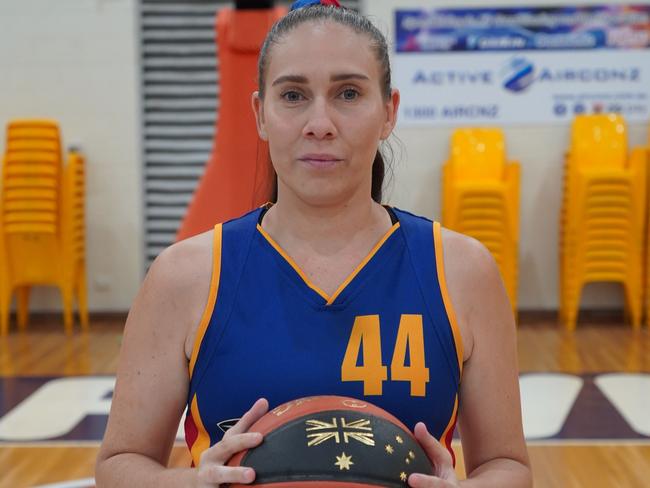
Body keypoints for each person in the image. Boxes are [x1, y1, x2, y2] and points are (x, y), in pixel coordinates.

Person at [96, 1, 532, 487]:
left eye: (348, 93)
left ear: (389, 112)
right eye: (293, 95)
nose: (320, 123)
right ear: (261, 114)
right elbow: (120, 464)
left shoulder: (462, 271)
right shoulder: (185, 277)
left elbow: (506, 466)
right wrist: (191, 484)